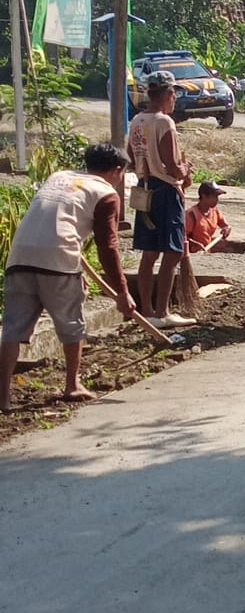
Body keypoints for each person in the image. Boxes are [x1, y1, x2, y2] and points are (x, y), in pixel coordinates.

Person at [0, 144, 135, 412]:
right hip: (59, 259)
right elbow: (107, 246)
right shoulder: (106, 193)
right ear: (117, 170)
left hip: (20, 256)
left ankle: (2, 397)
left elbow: (55, 219)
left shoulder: (58, 177)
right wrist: (122, 292)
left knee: (12, 330)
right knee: (71, 325)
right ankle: (72, 385)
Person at [127, 70, 196, 329]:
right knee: (173, 251)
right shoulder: (164, 123)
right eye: (174, 94)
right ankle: (163, 311)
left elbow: (131, 158)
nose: (175, 98)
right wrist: (186, 170)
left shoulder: (137, 121)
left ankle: (146, 309)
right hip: (166, 192)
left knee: (149, 253)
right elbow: (172, 167)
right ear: (168, 94)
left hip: (145, 189)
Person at [185, 181, 233, 253]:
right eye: (214, 196)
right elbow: (180, 237)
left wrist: (227, 229)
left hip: (206, 251)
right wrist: (193, 243)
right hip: (191, 253)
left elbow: (225, 225)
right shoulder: (191, 215)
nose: (217, 200)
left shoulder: (215, 212)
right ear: (204, 196)